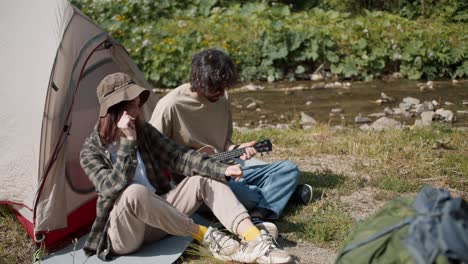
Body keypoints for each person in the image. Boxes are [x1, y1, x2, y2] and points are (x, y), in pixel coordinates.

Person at [80, 72, 292, 264]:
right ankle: (209, 238)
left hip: (163, 219)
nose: (139, 108)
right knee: (134, 191)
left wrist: (221, 170)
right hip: (126, 234)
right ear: (118, 109)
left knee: (204, 177)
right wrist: (128, 143)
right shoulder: (90, 152)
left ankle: (256, 241)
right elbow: (112, 188)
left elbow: (178, 156)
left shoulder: (144, 131)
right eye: (134, 104)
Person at [150, 49, 312, 224]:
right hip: (195, 179)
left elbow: (224, 142)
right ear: (199, 81)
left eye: (225, 87)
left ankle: (259, 214)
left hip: (227, 166)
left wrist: (236, 149)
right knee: (248, 196)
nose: (222, 92)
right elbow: (151, 152)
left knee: (288, 169)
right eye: (216, 88)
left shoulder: (222, 97)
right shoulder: (170, 105)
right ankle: (280, 196)